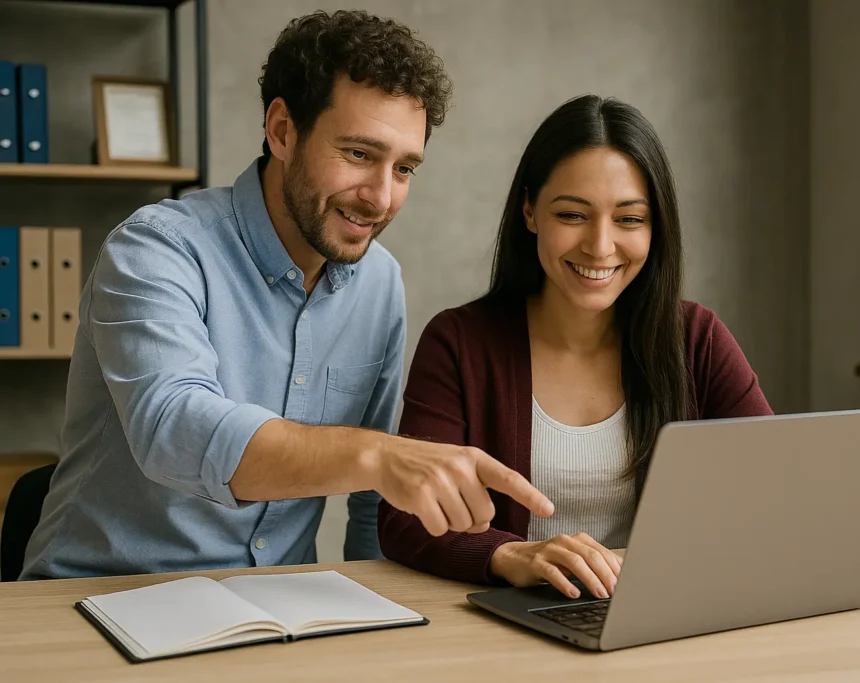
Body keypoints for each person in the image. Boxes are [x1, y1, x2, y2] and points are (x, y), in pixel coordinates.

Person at [20, 10, 551, 581]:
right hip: (102, 597)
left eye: (404, 168)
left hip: (278, 609)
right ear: (281, 130)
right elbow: (172, 427)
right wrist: (375, 455)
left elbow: (372, 506)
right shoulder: (155, 248)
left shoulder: (379, 282)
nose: (380, 197)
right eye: (358, 154)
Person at [378, 95, 773, 600]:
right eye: (572, 214)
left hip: (660, 611)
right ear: (529, 211)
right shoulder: (460, 343)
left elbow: (771, 486)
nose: (600, 246)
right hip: (516, 623)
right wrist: (512, 555)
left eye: (629, 220)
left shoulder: (696, 338)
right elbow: (404, 520)